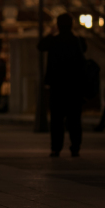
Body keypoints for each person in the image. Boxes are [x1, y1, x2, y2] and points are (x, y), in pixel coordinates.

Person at [39, 13, 87, 157]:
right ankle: (75, 146)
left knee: (56, 120)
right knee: (74, 119)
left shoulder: (54, 41)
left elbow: (40, 46)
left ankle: (56, 148)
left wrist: (50, 32)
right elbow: (84, 50)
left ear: (58, 25)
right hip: (74, 85)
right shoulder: (76, 41)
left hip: (57, 85)